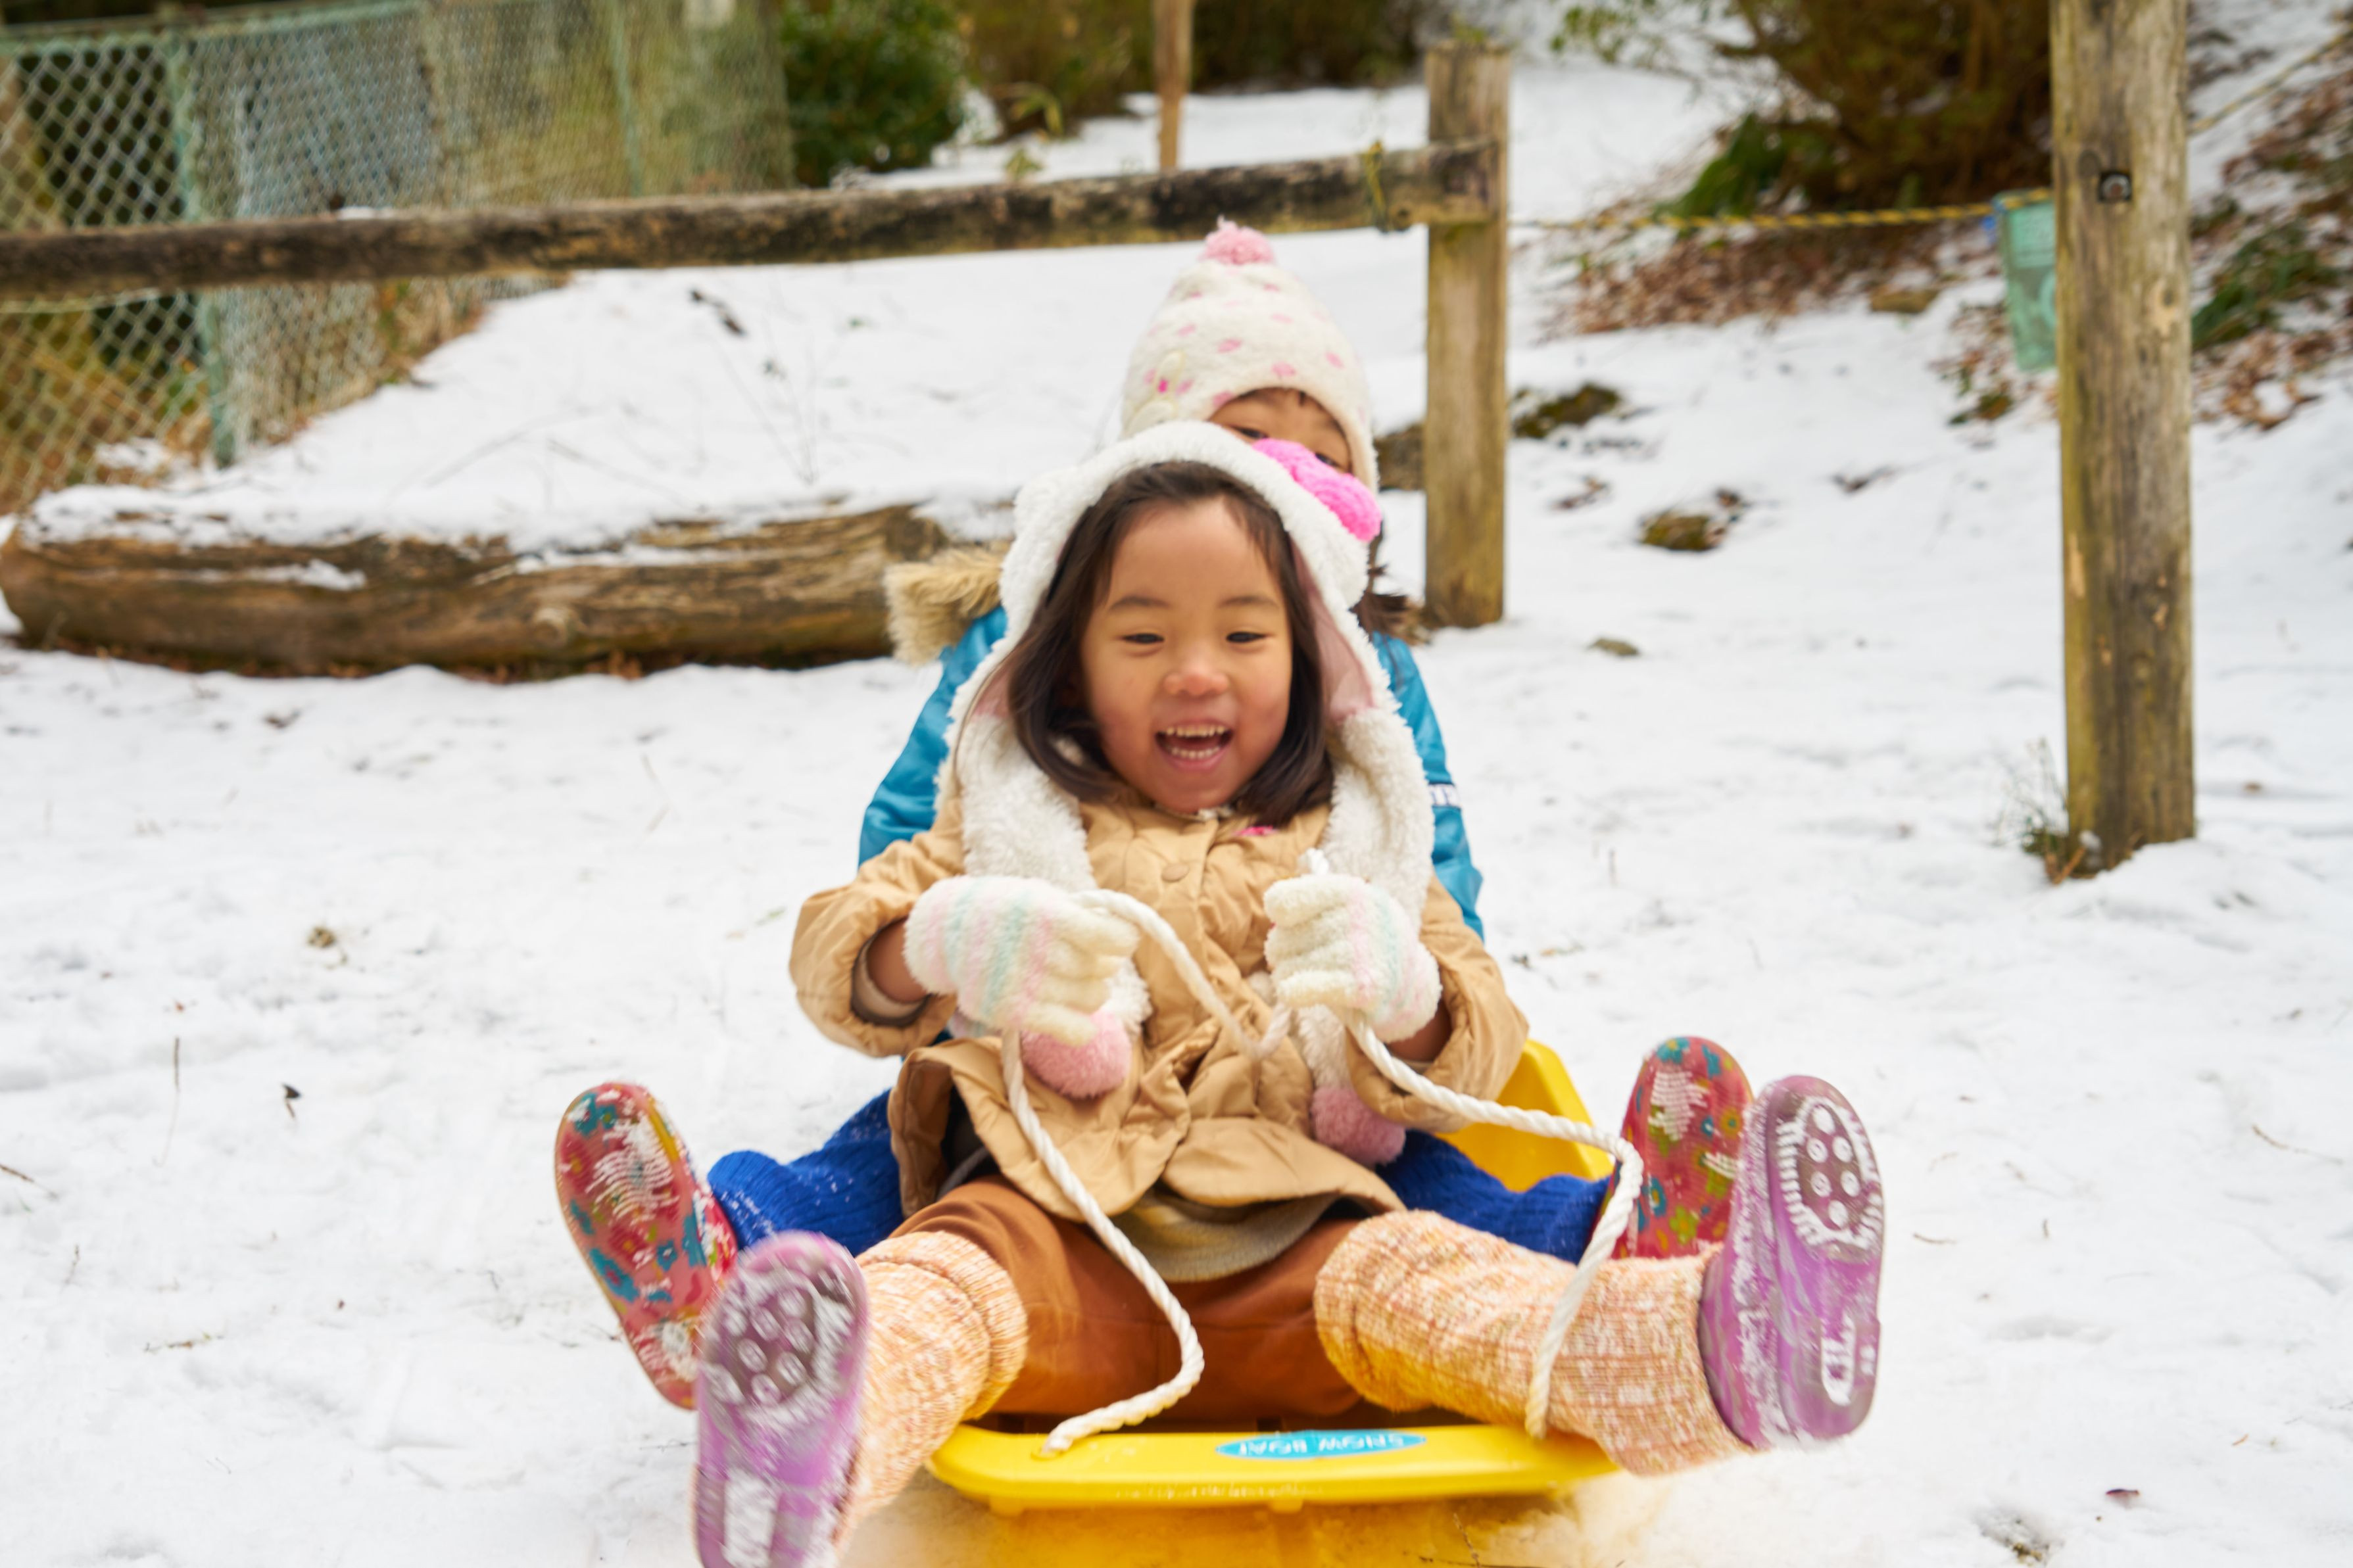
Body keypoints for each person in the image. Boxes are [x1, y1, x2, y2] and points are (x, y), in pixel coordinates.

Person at [558, 429, 1887, 1567]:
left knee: (1479, 1302)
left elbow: (1482, 1035)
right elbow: (833, 952)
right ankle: (793, 1444)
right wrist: (943, 939)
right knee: (930, 1297)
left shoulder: (1361, 841)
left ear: (1310, 660)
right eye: (1143, 636)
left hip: (1310, 1236)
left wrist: (1406, 993)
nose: (1195, 671)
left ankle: (1732, 1350)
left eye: (1244, 634)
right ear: (1066, 668)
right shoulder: (1002, 821)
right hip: (1048, 1224)